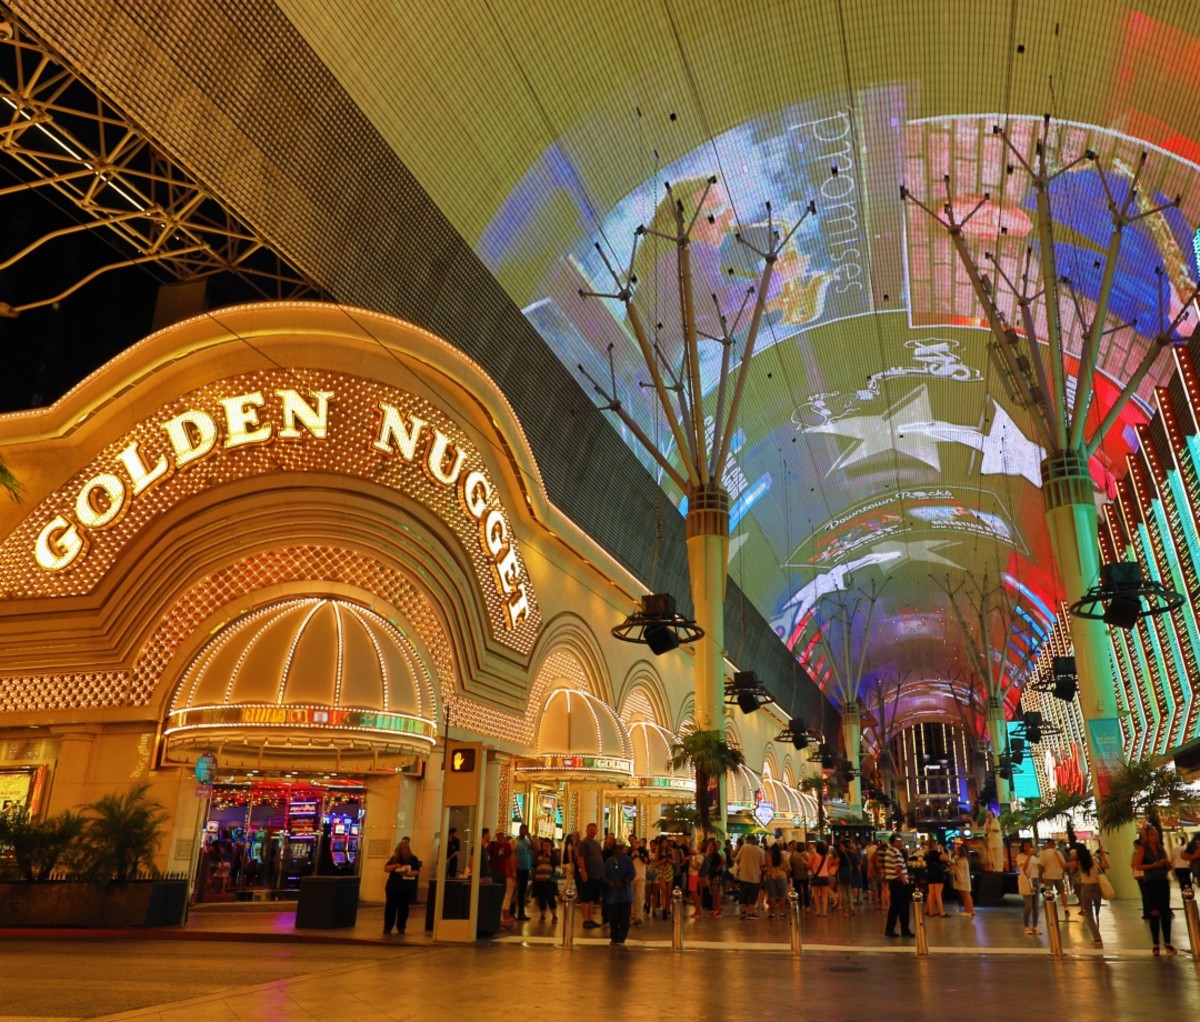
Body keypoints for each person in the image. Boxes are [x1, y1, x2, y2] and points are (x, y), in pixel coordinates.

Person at [1133, 823, 1178, 955]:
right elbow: (1138, 866)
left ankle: (1168, 943)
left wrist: (1167, 864)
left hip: (1163, 881)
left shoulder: (1161, 848)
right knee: (1154, 911)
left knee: (1165, 911)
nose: (1155, 837)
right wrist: (1153, 865)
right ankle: (1155, 944)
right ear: (1147, 836)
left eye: (1156, 834)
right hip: (1150, 882)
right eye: (1152, 834)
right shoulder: (1143, 849)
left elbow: (1168, 866)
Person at [383, 837, 421, 935]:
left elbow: (416, 871)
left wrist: (408, 874)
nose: (404, 851)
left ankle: (401, 927)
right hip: (393, 887)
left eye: (406, 849)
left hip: (405, 887)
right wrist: (395, 866)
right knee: (390, 908)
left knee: (403, 908)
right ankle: (388, 927)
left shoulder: (413, 859)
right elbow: (386, 868)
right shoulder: (394, 858)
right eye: (402, 849)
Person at [603, 838, 637, 945]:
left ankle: (622, 937)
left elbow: (632, 873)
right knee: (612, 918)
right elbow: (605, 875)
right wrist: (610, 883)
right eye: (617, 848)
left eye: (621, 848)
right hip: (612, 895)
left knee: (624, 918)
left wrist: (623, 882)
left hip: (625, 894)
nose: (619, 851)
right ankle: (614, 936)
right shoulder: (609, 861)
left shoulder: (627, 860)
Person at [1075, 844, 1108, 946]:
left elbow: (1066, 866)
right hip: (1096, 888)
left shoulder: (1079, 863)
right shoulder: (1094, 861)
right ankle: (1097, 933)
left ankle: (1096, 937)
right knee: (1097, 912)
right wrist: (1102, 855)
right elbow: (1107, 866)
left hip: (1086, 888)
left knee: (1089, 914)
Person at [882, 833, 913, 938]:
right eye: (898, 840)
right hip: (899, 883)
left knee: (894, 907)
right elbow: (898, 868)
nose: (901, 842)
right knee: (903, 907)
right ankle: (905, 930)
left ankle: (889, 929)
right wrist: (903, 879)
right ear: (893, 841)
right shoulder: (896, 852)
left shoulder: (888, 851)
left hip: (893, 882)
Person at [576, 822, 605, 930]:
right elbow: (581, 858)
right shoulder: (584, 843)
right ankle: (585, 919)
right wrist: (583, 871)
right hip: (588, 874)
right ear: (587, 830)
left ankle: (590, 918)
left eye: (594, 829)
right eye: (590, 829)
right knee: (586, 898)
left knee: (593, 898)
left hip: (597, 875)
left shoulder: (596, 844)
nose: (592, 831)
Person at [735, 834, 766, 920]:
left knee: (743, 894)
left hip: (744, 875)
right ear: (756, 841)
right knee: (753, 895)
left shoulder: (744, 847)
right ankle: (751, 912)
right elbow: (762, 864)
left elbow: (737, 859)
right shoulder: (760, 851)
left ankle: (743, 911)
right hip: (755, 877)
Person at [1037, 838, 1069, 915]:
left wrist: (1040, 876)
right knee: (1062, 892)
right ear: (1054, 845)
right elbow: (1063, 864)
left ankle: (1051, 911)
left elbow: (1041, 866)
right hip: (1058, 875)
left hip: (1048, 876)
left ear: (1047, 844)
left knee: (1049, 894)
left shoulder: (1043, 853)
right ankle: (1066, 909)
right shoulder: (1059, 853)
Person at [1017, 838, 1040, 935]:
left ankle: (1035, 926)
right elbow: (1024, 867)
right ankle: (1026, 926)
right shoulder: (1020, 856)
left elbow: (1039, 867)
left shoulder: (1035, 857)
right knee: (1028, 906)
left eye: (1029, 846)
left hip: (1036, 879)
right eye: (1025, 846)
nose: (1027, 848)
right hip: (1027, 880)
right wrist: (1029, 855)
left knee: (1036, 906)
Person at [533, 836, 558, 923]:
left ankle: (554, 915)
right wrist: (539, 860)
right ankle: (542, 915)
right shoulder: (538, 853)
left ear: (550, 846)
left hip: (549, 879)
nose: (545, 847)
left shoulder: (553, 853)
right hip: (539, 879)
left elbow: (556, 862)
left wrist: (550, 855)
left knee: (550, 897)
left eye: (547, 845)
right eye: (544, 845)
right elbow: (533, 864)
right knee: (541, 898)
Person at [513, 823, 535, 920]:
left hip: (525, 869)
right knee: (515, 890)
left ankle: (521, 913)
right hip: (517, 869)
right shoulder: (515, 841)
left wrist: (530, 838)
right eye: (521, 830)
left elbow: (535, 848)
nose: (523, 832)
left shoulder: (527, 841)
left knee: (522, 891)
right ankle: (511, 912)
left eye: (524, 830)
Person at [924, 838, 948, 917]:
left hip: (930, 874)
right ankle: (941, 912)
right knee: (938, 893)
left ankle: (931, 911)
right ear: (935, 845)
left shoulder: (927, 853)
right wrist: (942, 851)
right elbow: (946, 858)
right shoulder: (936, 853)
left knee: (931, 893)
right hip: (937, 874)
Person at [811, 840, 833, 917]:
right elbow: (829, 867)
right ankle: (825, 912)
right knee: (825, 896)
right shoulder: (827, 857)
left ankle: (818, 911)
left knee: (816, 895)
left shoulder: (815, 855)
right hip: (825, 877)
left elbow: (809, 864)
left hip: (817, 877)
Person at [951, 843, 974, 916]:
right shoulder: (964, 859)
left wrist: (954, 865)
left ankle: (968, 911)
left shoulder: (961, 860)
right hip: (965, 879)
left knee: (965, 895)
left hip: (962, 880)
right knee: (967, 895)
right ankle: (970, 910)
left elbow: (959, 871)